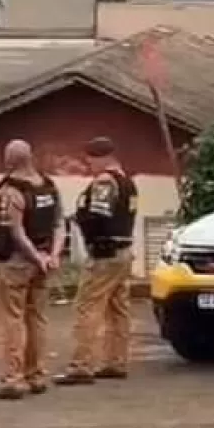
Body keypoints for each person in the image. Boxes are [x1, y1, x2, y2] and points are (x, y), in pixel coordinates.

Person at [55, 137, 138, 385]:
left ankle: (81, 365)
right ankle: (116, 361)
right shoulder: (128, 182)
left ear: (101, 158)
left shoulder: (104, 181)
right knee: (118, 308)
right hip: (123, 250)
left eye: (89, 160)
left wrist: (80, 219)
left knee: (88, 306)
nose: (88, 165)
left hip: (104, 253)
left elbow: (98, 216)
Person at [0, 139, 64, 400]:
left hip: (18, 262)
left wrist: (35, 257)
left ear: (9, 160)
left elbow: (16, 231)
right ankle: (37, 374)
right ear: (30, 157)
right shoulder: (49, 186)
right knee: (37, 319)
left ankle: (13, 379)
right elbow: (59, 225)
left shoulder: (11, 191)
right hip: (44, 259)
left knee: (13, 320)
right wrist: (51, 256)